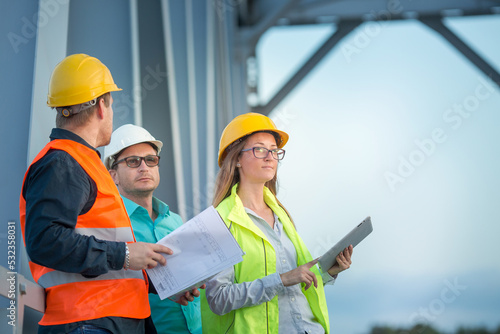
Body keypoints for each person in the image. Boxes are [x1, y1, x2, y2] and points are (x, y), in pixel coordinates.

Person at [19, 54, 187, 334]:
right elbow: (45, 241)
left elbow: (111, 265)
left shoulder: (81, 163)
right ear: (101, 105)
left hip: (104, 320)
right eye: (111, 104)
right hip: (88, 322)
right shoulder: (63, 162)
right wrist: (123, 253)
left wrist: (163, 287)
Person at [201, 113, 354, 334]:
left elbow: (297, 282)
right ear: (235, 159)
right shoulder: (219, 222)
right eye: (260, 149)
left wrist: (328, 272)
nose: (270, 157)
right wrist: (282, 279)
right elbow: (218, 298)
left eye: (274, 150)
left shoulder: (282, 214)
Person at [103, 124, 202, 334]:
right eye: (132, 161)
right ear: (113, 176)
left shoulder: (175, 221)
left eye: (150, 160)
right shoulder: (108, 224)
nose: (144, 167)